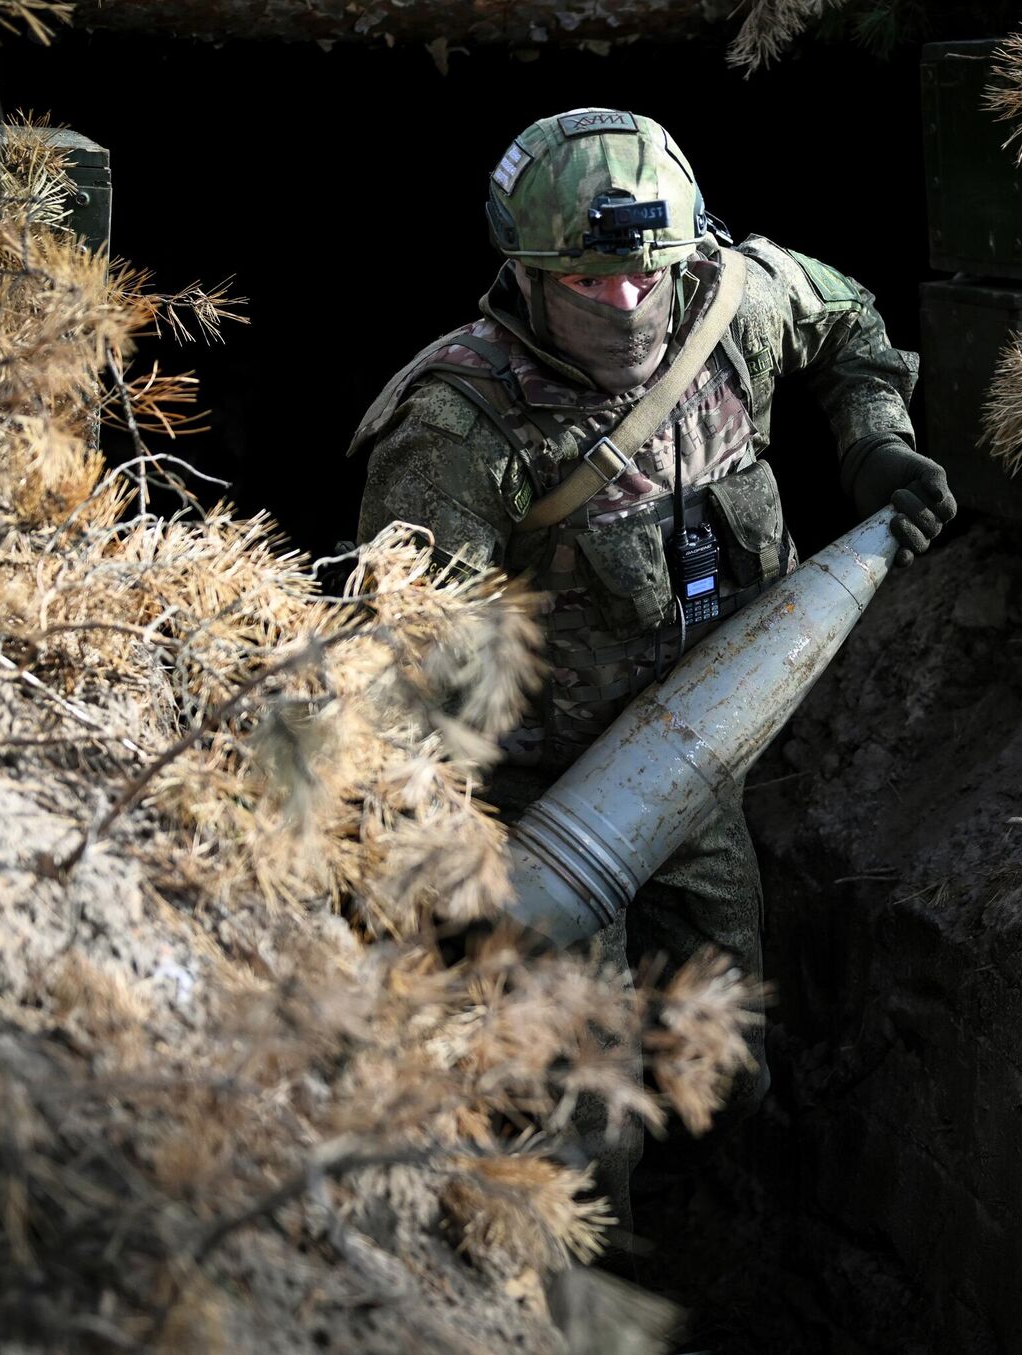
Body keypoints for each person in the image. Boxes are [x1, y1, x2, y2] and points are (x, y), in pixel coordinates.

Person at [349, 106, 954, 1215]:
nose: (627, 304)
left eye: (645, 275)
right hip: (532, 808)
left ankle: (727, 1256)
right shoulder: (461, 429)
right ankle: (581, 1284)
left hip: (693, 770)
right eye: (590, 285)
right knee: (575, 1120)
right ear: (527, 277)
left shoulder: (733, 304)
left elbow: (848, 320)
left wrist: (872, 439)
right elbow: (407, 668)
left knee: (723, 1051)